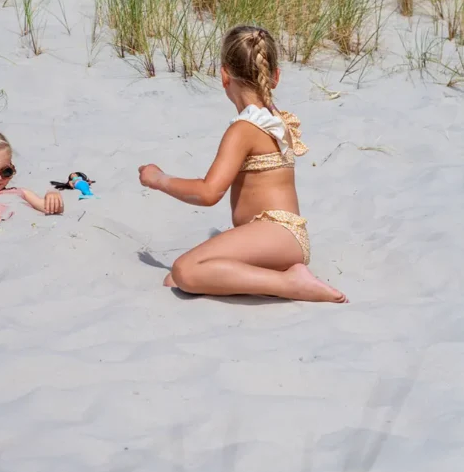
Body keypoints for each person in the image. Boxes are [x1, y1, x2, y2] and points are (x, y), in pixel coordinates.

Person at [138, 25, 347, 302]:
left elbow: (209, 192)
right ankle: (285, 275)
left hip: (277, 233)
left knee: (185, 270)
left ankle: (289, 282)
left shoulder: (244, 129)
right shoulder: (274, 118)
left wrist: (159, 179)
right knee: (173, 280)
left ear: (224, 75)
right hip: (282, 237)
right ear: (275, 76)